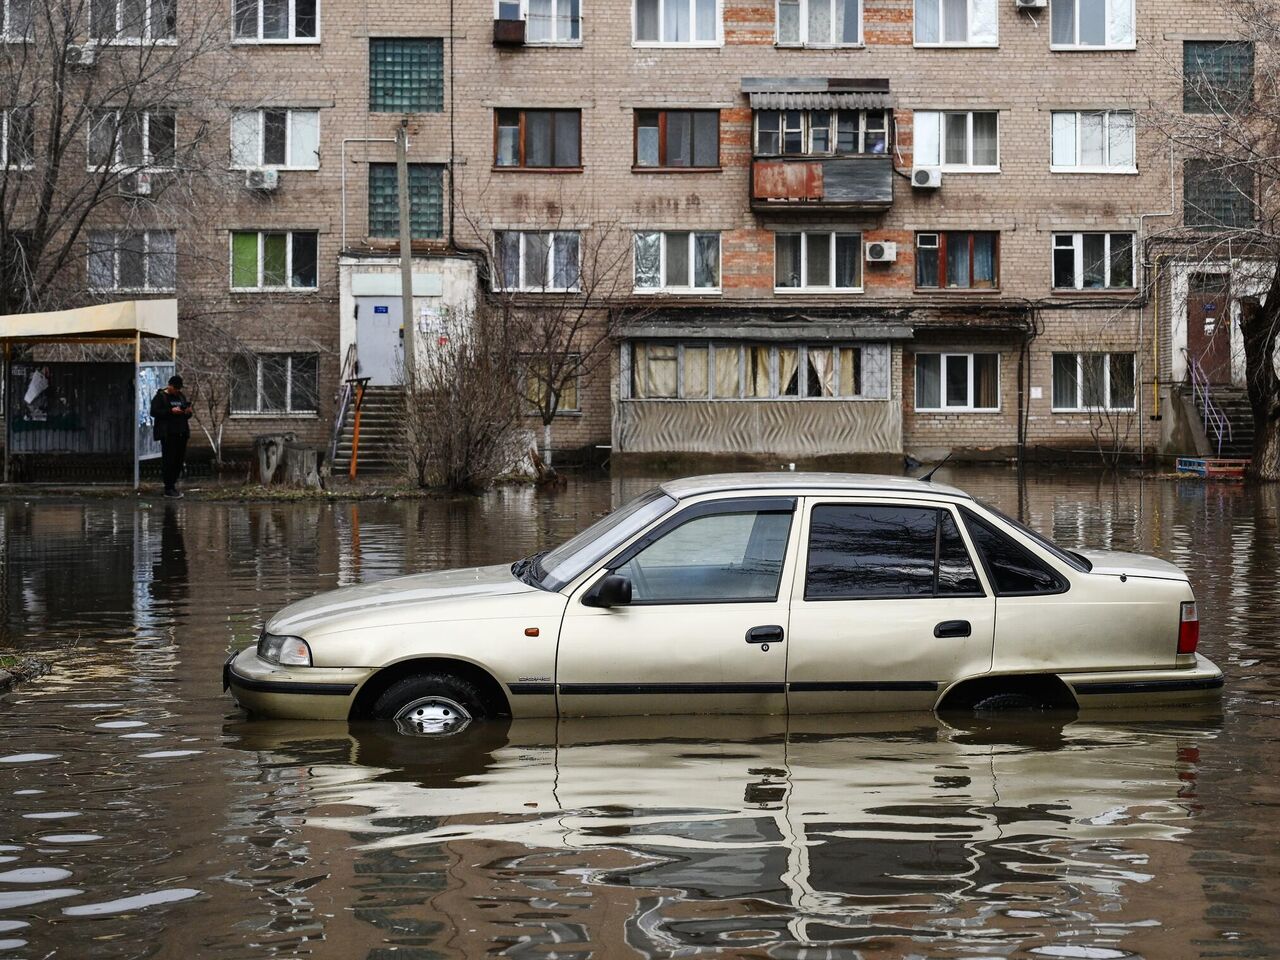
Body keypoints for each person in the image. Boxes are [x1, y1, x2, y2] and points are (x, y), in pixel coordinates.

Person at [150, 374, 193, 499]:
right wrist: (170, 411)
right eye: (176, 388)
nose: (178, 390)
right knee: (169, 461)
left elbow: (186, 416)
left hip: (182, 433)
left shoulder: (180, 396)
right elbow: (154, 412)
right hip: (168, 434)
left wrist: (187, 412)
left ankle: (173, 485)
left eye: (179, 388)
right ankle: (168, 487)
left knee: (178, 461)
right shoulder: (161, 397)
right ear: (170, 386)